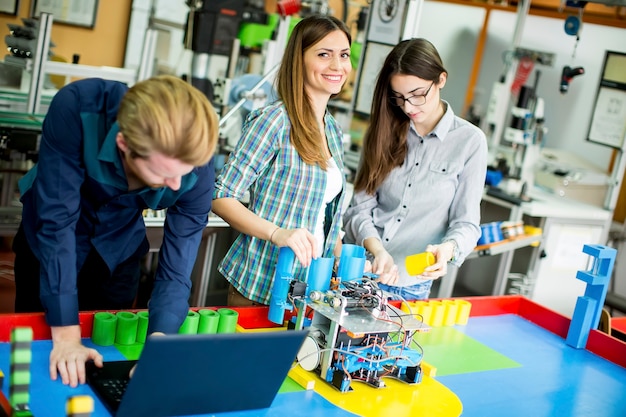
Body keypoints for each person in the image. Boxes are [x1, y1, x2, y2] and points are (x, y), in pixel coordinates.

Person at [12, 74, 219, 387]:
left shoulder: (196, 166)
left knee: (105, 358)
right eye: (164, 174)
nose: (177, 185)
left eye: (184, 173)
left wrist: (159, 344)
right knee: (39, 363)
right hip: (49, 243)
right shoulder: (79, 106)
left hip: (118, 247)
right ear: (124, 145)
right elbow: (57, 223)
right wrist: (66, 336)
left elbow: (176, 270)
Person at [212, 14, 353, 306]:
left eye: (344, 55)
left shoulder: (334, 131)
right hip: (260, 286)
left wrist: (344, 258)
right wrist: (276, 233)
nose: (337, 66)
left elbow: (320, 216)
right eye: (324, 54)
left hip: (309, 292)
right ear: (298, 60)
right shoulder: (274, 121)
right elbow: (220, 196)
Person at [343, 38, 488, 300]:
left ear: (441, 80)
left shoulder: (470, 142)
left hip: (410, 286)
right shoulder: (382, 130)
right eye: (399, 97)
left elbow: (466, 223)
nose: (408, 107)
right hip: (357, 272)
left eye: (418, 94)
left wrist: (449, 249)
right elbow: (359, 208)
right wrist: (377, 251)